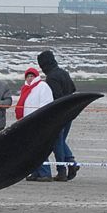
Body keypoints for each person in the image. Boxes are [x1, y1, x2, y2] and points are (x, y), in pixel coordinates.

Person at [38, 50, 78, 181]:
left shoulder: (52, 77)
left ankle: (62, 171)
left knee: (57, 142)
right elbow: (73, 89)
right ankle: (71, 163)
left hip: (60, 113)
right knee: (60, 141)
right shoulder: (64, 73)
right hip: (70, 111)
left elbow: (56, 97)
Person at [15, 67, 55, 182]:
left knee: (40, 147)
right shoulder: (26, 89)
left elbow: (46, 104)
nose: (29, 78)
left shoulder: (42, 86)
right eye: (28, 76)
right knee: (30, 149)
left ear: (36, 76)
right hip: (27, 123)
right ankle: (35, 172)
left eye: (32, 76)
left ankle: (45, 173)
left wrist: (41, 120)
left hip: (39, 122)